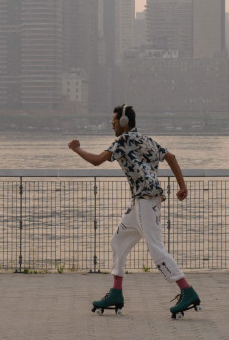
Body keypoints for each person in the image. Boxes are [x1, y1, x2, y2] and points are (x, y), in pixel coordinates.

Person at [67, 104, 202, 318]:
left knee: (156, 248)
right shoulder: (146, 139)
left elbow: (96, 161)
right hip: (143, 201)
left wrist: (76, 149)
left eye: (113, 123)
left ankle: (187, 291)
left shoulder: (122, 141)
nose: (111, 127)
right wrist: (182, 186)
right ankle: (116, 293)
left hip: (145, 200)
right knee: (118, 241)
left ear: (122, 123)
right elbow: (171, 157)